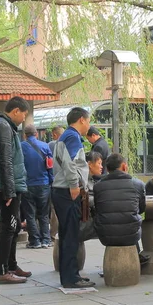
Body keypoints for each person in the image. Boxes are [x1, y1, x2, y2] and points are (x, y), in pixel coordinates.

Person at [0, 96, 31, 284]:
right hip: (6, 185)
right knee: (9, 227)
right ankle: (2, 271)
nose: (23, 119)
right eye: (23, 115)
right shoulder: (2, 126)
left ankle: (11, 265)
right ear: (16, 111)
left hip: (4, 183)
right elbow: (6, 160)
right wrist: (9, 190)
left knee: (13, 225)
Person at [52, 107, 95, 289]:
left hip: (61, 190)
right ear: (81, 120)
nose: (89, 125)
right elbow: (70, 162)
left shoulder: (67, 136)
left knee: (67, 234)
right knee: (70, 235)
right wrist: (74, 184)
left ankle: (71, 274)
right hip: (67, 190)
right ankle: (70, 278)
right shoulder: (72, 136)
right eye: (89, 120)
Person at [93, 153, 146, 247]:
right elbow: (141, 209)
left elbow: (98, 209)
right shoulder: (138, 184)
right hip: (132, 235)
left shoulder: (98, 186)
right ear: (124, 166)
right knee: (132, 225)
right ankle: (136, 258)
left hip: (106, 236)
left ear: (108, 169)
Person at [21, 124, 54, 249]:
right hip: (43, 184)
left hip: (27, 185)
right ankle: (46, 239)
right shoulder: (45, 146)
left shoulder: (20, 147)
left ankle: (34, 241)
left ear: (25, 135)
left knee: (30, 214)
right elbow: (50, 166)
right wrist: (51, 180)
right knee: (44, 214)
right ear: (36, 134)